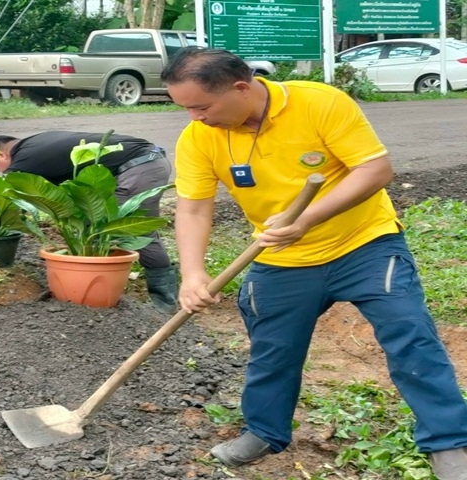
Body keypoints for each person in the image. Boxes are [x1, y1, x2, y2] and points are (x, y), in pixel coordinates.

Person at [160, 47, 467, 479]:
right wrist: (192, 273)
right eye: (186, 108)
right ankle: (264, 432)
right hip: (282, 257)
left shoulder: (318, 103)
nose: (195, 117)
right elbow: (193, 208)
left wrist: (306, 220)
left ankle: (448, 441)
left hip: (365, 244)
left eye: (201, 106)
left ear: (241, 88)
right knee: (273, 350)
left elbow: (375, 170)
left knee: (411, 338)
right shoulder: (199, 137)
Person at [0, 130, 178, 314]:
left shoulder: (22, 162)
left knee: (128, 229)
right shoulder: (34, 145)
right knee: (99, 225)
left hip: (140, 167)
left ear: (1, 155)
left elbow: (6, 205)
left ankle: (163, 302)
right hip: (144, 162)